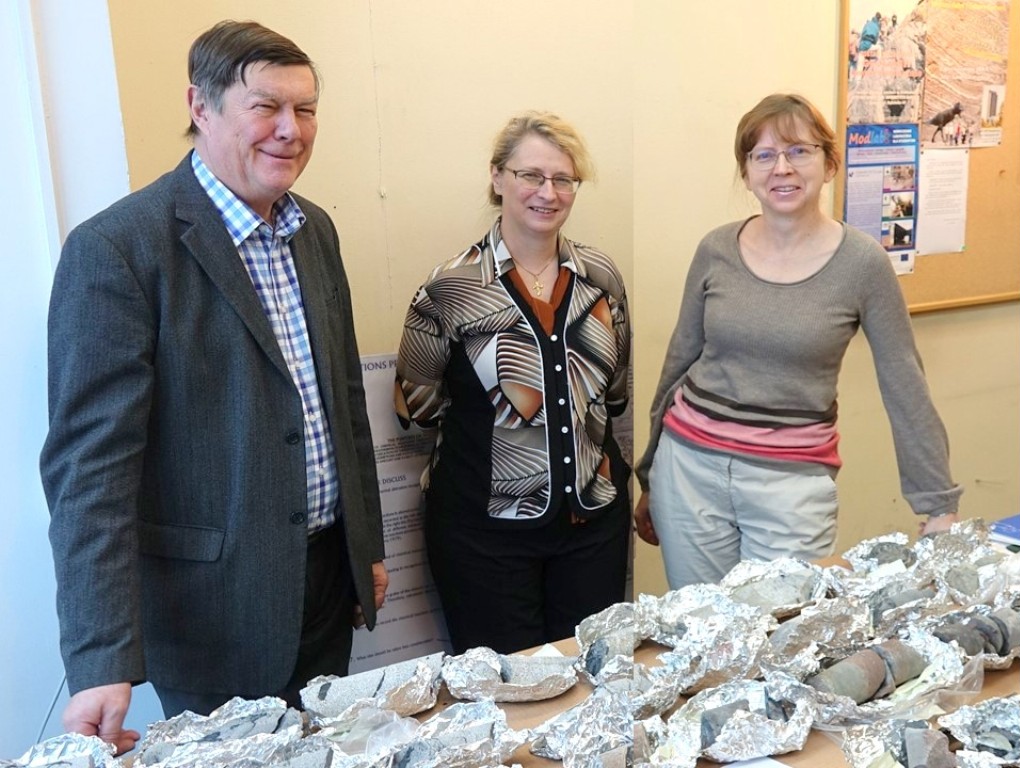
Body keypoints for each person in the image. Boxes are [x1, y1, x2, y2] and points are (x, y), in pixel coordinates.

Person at [40, 20, 388, 754]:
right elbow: (91, 471)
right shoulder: (117, 249)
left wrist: (367, 547)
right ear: (200, 106)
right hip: (212, 611)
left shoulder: (314, 230)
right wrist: (102, 659)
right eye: (266, 107)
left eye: (306, 109)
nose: (291, 130)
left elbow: (343, 403)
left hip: (327, 584)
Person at [633, 93, 962, 589]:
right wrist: (649, 476)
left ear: (829, 164)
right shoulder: (716, 249)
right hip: (688, 473)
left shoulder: (863, 264)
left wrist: (937, 504)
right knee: (697, 627)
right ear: (747, 173)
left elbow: (904, 382)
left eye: (798, 151)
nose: (781, 168)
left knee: (783, 627)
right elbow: (679, 361)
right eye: (763, 155)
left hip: (790, 487)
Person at [395, 111, 632, 654]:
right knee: (506, 691)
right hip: (483, 540)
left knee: (594, 678)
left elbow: (615, 392)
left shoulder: (601, 278)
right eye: (531, 175)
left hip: (592, 527)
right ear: (498, 177)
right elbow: (417, 407)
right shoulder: (450, 289)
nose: (548, 193)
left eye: (563, 179)